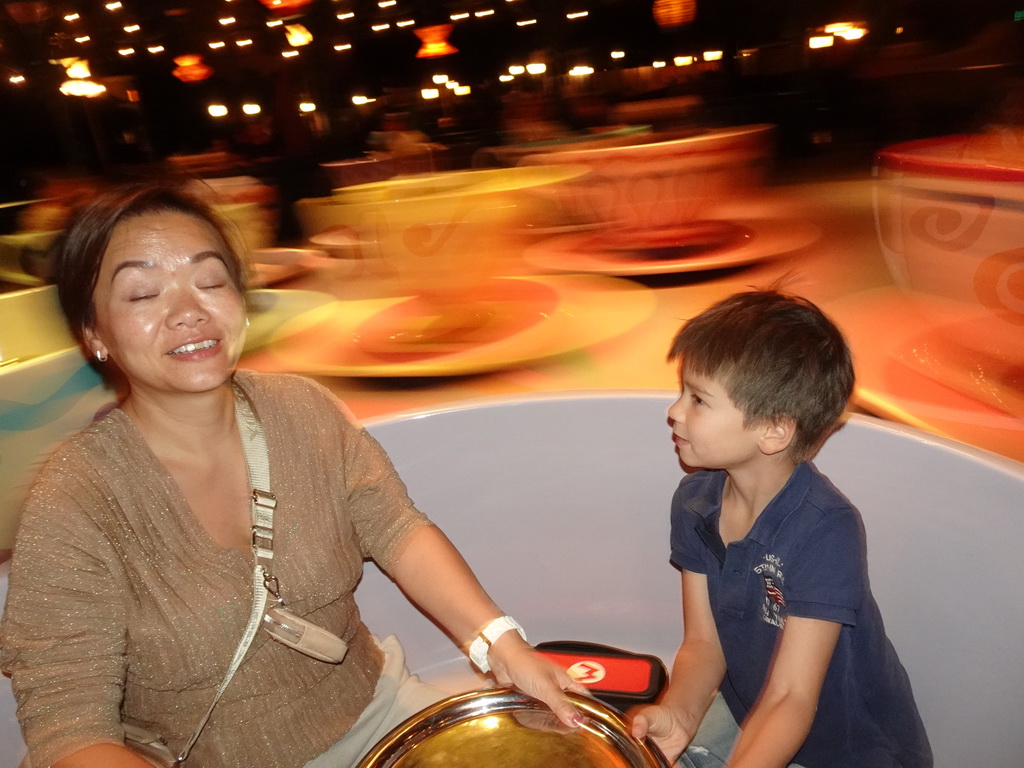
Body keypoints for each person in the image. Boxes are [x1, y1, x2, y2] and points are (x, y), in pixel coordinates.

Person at [0, 180, 584, 768]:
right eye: (143, 293)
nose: (189, 312)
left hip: (375, 713)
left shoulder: (301, 409)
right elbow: (69, 729)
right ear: (94, 333)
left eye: (210, 281)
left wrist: (501, 644)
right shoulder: (76, 497)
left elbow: (396, 528)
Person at [630, 290, 932, 768]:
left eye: (699, 399)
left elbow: (792, 695)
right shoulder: (694, 502)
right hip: (753, 714)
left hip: (852, 750)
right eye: (682, 391)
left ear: (773, 430)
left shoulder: (826, 530)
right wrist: (680, 715)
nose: (675, 410)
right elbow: (704, 645)